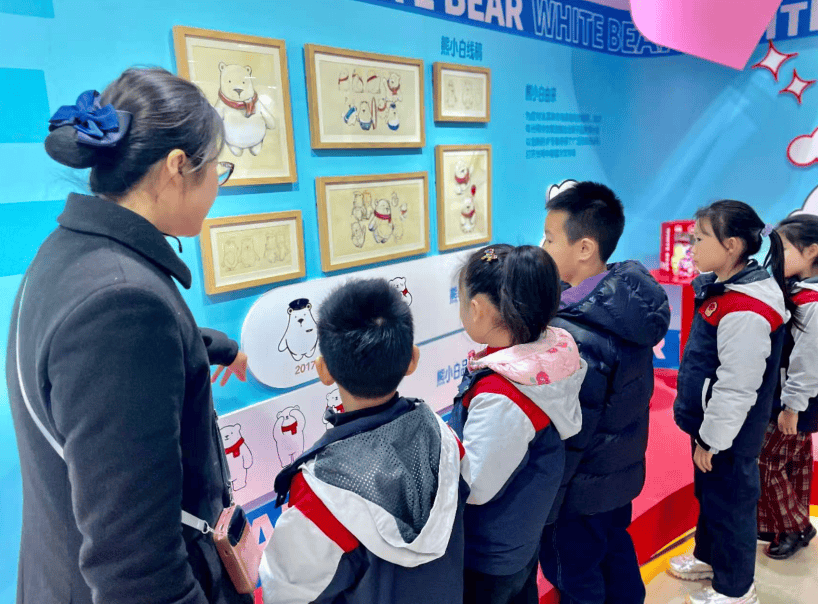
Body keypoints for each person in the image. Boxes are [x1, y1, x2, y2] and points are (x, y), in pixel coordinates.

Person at [6, 68, 252, 604]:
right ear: (178, 166)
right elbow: (137, 572)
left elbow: (108, 365)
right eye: (218, 168)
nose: (218, 185)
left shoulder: (71, 254)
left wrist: (215, 347)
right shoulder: (124, 308)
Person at [259, 278, 470, 604]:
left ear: (323, 370)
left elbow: (284, 594)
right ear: (412, 360)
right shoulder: (444, 438)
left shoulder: (320, 492)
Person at [539, 181, 670, 604]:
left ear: (584, 248)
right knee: (614, 553)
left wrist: (549, 503)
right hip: (616, 477)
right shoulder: (624, 303)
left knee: (574, 574)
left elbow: (573, 431)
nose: (543, 247)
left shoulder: (578, 332)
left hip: (579, 492)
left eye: (550, 238)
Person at [449, 244, 587, 604]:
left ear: (477, 309)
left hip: (490, 550)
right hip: (521, 530)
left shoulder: (502, 394)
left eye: (461, 301)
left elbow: (476, 484)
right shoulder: (548, 354)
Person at [671, 201, 792, 604]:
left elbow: (737, 386)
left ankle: (736, 589)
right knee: (712, 497)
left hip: (730, 433)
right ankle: (708, 558)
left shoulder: (747, 307)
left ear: (732, 245)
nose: (691, 247)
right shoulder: (724, 288)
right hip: (712, 424)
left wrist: (713, 439)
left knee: (731, 507)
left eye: (699, 239)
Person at [756, 214, 818, 559]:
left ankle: (795, 526)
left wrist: (792, 406)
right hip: (795, 395)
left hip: (795, 397)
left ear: (812, 251)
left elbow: (808, 360)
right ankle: (782, 523)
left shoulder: (811, 302)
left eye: (784, 249)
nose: (776, 257)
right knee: (795, 459)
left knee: (765, 460)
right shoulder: (800, 293)